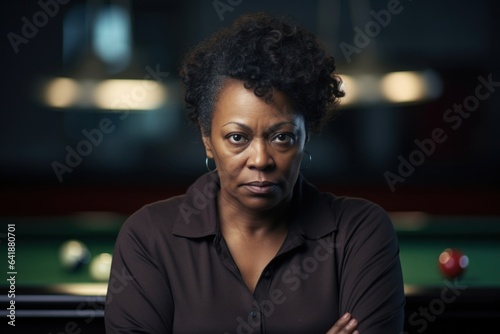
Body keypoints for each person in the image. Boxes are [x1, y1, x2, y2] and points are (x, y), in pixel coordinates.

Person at [104, 12, 405, 334]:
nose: (260, 159)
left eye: (282, 137)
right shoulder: (148, 237)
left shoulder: (360, 232)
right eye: (238, 138)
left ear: (306, 137)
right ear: (208, 140)